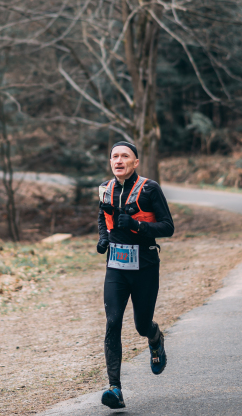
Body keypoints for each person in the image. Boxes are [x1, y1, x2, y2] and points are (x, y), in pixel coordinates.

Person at [96, 141, 174, 410]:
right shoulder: (106, 188)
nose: (118, 160)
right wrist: (104, 239)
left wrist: (137, 225)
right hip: (116, 267)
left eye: (125, 156)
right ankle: (115, 389)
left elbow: (168, 227)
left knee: (141, 325)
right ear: (110, 162)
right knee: (113, 322)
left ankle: (155, 338)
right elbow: (103, 217)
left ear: (136, 162)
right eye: (114, 156)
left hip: (145, 267)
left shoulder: (150, 188)